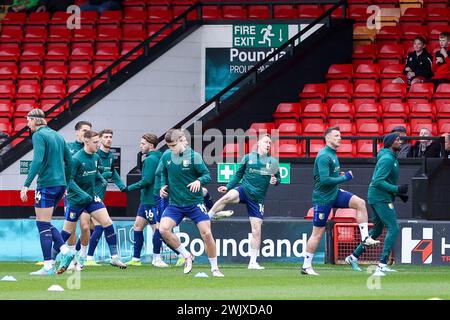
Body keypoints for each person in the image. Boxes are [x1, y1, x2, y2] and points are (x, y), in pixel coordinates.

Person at [301, 126, 380, 276]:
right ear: (328, 138)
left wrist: (339, 176)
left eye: (340, 135)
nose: (340, 138)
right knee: (317, 234)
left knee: (360, 203)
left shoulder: (332, 154)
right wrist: (345, 178)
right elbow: (324, 181)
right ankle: (306, 266)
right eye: (336, 135)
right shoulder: (324, 155)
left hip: (334, 193)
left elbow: (329, 176)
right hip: (323, 198)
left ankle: (364, 237)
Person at [57, 130, 126, 273]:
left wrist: (101, 178)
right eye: (96, 142)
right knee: (69, 231)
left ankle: (111, 257)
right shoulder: (75, 159)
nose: (98, 144)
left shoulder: (95, 157)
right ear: (86, 141)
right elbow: (68, 181)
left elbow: (96, 171)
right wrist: (82, 194)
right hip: (76, 199)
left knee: (107, 223)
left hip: (91, 198)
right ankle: (51, 260)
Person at [207, 134, 280, 270]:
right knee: (226, 197)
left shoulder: (273, 162)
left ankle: (252, 262)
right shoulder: (248, 157)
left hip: (257, 198)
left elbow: (278, 179)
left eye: (270, 143)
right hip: (244, 189)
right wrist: (228, 186)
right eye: (266, 142)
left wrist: (275, 181)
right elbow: (238, 175)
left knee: (256, 230)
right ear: (258, 143)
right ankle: (208, 217)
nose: (268, 144)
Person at [158, 129, 224, 277]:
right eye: (169, 146)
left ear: (181, 141)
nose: (171, 149)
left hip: (194, 203)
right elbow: (163, 172)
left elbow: (207, 175)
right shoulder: (167, 155)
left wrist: (198, 181)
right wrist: (163, 185)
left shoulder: (194, 156)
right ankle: (187, 255)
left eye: (173, 145)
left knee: (207, 234)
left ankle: (215, 268)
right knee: (163, 230)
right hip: (175, 204)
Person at [345, 133, 408, 276]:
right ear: (390, 143)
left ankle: (353, 257)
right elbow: (378, 181)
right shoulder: (387, 159)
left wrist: (398, 193)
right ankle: (381, 265)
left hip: (379, 197)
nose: (400, 141)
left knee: (378, 230)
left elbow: (384, 181)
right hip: (380, 198)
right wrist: (396, 189)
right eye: (397, 139)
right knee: (393, 227)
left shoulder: (390, 157)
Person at [20, 109, 73, 276]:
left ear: (35, 120)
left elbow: (37, 160)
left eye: (28, 120)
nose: (27, 123)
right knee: (45, 222)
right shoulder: (58, 136)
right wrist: (67, 182)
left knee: (42, 224)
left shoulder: (38, 135)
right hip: (60, 185)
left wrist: (26, 184)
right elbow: (70, 161)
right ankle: (64, 250)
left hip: (46, 184)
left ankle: (49, 265)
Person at [122, 133, 171, 267]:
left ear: (151, 145)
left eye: (143, 144)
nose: (140, 146)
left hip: (150, 200)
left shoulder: (150, 160)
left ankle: (159, 258)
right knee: (138, 226)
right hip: (146, 200)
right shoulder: (158, 157)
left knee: (158, 229)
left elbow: (146, 181)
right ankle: (136, 258)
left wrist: (128, 188)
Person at [79, 129, 126, 267]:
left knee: (94, 227)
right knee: (87, 227)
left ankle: (85, 256)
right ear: (99, 140)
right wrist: (105, 174)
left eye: (110, 137)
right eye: (105, 137)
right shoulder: (94, 154)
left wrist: (122, 186)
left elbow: (113, 171)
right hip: (87, 196)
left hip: (99, 197)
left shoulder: (110, 156)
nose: (108, 139)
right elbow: (96, 173)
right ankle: (84, 256)